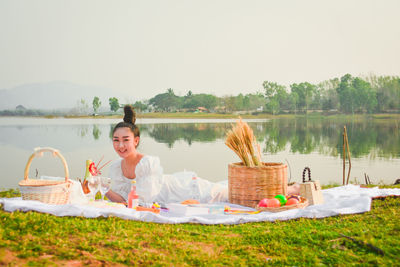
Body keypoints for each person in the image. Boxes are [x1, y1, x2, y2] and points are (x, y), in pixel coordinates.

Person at [105, 105, 228, 205]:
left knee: (229, 195)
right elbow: (123, 201)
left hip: (183, 190)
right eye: (116, 140)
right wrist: (102, 187)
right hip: (173, 201)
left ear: (136, 141)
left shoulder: (147, 163)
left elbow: (139, 202)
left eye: (126, 140)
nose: (120, 145)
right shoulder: (116, 168)